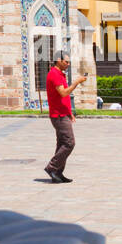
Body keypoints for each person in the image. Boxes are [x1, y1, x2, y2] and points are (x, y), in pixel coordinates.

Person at [44, 51, 88, 184]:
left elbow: (64, 98)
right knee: (69, 143)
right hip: (58, 115)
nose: (68, 64)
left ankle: (57, 172)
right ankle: (52, 167)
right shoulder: (54, 74)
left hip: (64, 113)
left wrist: (70, 112)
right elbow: (63, 93)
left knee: (62, 144)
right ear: (58, 60)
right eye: (66, 62)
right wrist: (76, 82)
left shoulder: (60, 74)